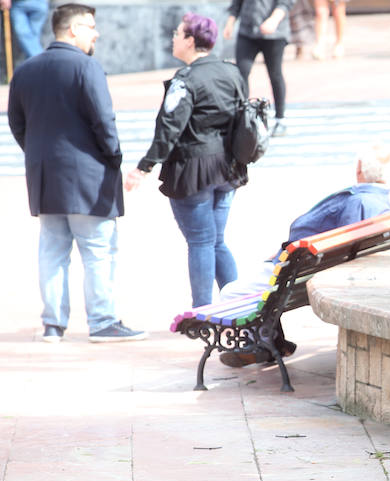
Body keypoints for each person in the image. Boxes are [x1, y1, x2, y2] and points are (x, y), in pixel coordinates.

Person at [7, 3, 146, 344]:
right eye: (91, 27)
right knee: (98, 251)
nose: (96, 33)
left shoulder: (25, 70)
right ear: (73, 30)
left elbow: (16, 123)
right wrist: (113, 158)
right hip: (88, 177)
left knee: (52, 252)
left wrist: (38, 155)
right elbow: (103, 120)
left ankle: (53, 325)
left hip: (45, 177)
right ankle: (102, 322)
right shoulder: (86, 67)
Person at [218, 143, 390, 368]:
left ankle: (261, 343)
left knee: (230, 292)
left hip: (299, 270)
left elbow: (342, 242)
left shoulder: (359, 201)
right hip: (303, 266)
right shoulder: (379, 201)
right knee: (263, 282)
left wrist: (290, 254)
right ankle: (271, 340)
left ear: (360, 168)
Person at [124, 13, 247, 309]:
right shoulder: (232, 72)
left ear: (190, 41)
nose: (173, 38)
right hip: (227, 167)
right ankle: (240, 304)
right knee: (216, 241)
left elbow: (168, 128)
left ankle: (202, 312)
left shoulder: (186, 79)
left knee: (203, 242)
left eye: (178, 34)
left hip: (193, 169)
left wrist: (144, 166)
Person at [223, 0, 294, 136]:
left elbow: (286, 3)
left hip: (274, 32)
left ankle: (280, 118)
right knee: (241, 73)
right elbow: (237, 3)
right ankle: (242, 117)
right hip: (247, 30)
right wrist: (230, 22)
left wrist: (274, 19)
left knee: (275, 74)